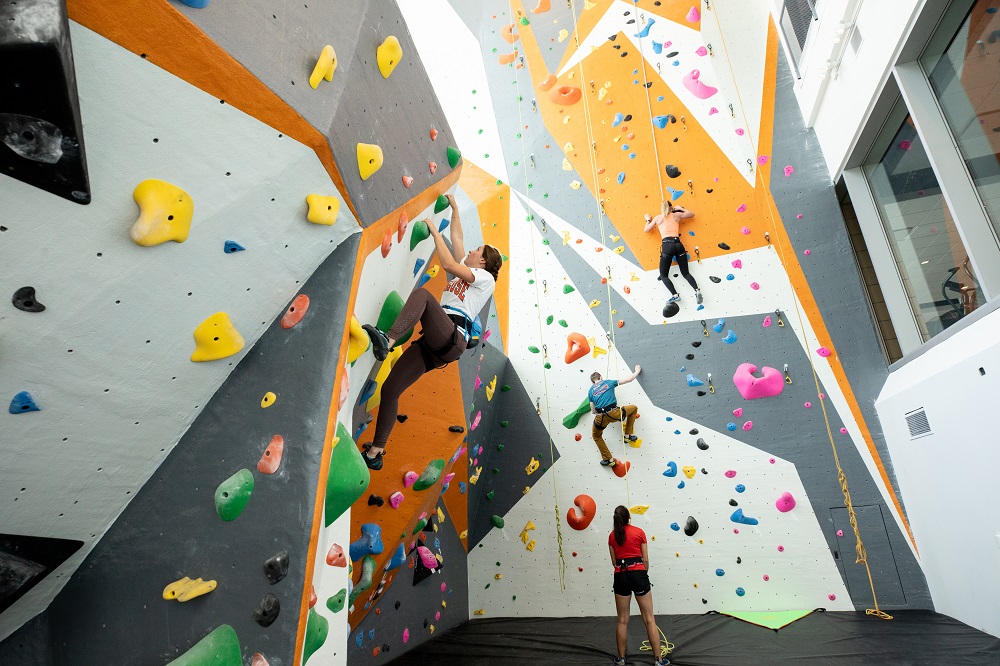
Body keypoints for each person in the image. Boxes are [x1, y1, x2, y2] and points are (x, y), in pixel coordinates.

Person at [361, 194, 503, 471]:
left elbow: (449, 264)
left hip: (452, 336)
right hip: (436, 343)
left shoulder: (485, 279)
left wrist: (434, 232)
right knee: (391, 389)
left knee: (425, 296)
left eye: (477, 250)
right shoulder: (469, 271)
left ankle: (387, 340)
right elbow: (458, 240)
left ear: (484, 262)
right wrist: (456, 209)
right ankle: (376, 452)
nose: (471, 251)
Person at [609, 505, 668, 666]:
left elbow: (614, 562)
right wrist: (642, 574)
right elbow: (646, 560)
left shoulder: (612, 536)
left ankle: (621, 659)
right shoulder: (639, 532)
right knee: (649, 619)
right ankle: (658, 660)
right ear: (629, 517)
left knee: (622, 620)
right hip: (638, 574)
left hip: (620, 575)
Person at [645, 201, 702, 316]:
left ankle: (675, 295)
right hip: (678, 244)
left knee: (664, 275)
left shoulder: (658, 218)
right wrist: (680, 208)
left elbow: (646, 230)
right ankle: (697, 291)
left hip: (667, 245)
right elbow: (692, 214)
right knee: (685, 273)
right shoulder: (676, 215)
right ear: (671, 207)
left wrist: (647, 219)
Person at [588, 365, 641, 467]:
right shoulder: (608, 382)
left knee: (596, 436)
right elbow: (629, 379)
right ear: (601, 377)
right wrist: (637, 371)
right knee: (634, 408)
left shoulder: (590, 391)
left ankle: (609, 459)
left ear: (592, 382)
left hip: (600, 417)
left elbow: (592, 410)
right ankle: (627, 436)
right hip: (614, 413)